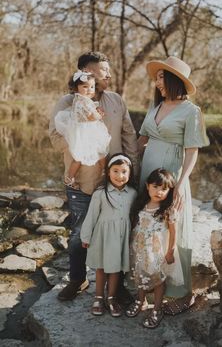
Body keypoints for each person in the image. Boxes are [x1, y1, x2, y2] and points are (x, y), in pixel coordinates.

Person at [49, 51, 139, 301]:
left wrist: (133, 170)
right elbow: (55, 140)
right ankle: (78, 279)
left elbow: (129, 136)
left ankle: (116, 285)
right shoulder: (67, 103)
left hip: (116, 183)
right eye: (103, 70)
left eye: (108, 70)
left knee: (117, 232)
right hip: (81, 182)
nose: (108, 74)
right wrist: (81, 132)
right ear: (86, 71)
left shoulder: (116, 101)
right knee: (78, 233)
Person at [138, 56, 209, 315]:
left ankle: (182, 293)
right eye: (156, 78)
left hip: (172, 177)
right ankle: (147, 284)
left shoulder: (191, 111)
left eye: (160, 78)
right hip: (147, 174)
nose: (157, 83)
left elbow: (192, 151)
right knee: (150, 231)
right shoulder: (155, 108)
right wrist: (118, 161)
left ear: (173, 79)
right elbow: (141, 140)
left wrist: (180, 184)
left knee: (172, 230)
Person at [80, 153, 137, 317]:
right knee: (101, 267)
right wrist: (86, 237)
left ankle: (111, 298)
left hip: (121, 237)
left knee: (116, 269)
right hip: (103, 236)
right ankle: (98, 297)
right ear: (108, 172)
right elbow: (91, 216)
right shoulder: (100, 193)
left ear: (130, 173)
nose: (120, 176)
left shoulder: (132, 193)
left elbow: (133, 218)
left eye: (124, 171)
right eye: (116, 171)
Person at [126, 168, 183, 328]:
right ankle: (140, 300)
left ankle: (157, 308)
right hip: (138, 250)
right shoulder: (141, 204)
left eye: (164, 189)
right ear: (147, 186)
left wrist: (170, 251)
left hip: (156, 253)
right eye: (155, 187)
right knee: (139, 276)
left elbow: (173, 232)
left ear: (169, 190)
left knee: (158, 280)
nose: (159, 192)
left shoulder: (168, 209)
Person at [54, 70, 111, 186]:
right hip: (84, 133)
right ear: (76, 88)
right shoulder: (81, 101)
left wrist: (96, 112)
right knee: (91, 154)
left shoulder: (84, 100)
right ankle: (71, 177)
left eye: (92, 87)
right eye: (85, 86)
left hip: (86, 132)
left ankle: (71, 177)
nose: (89, 90)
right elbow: (89, 117)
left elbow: (90, 113)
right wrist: (99, 115)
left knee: (89, 155)